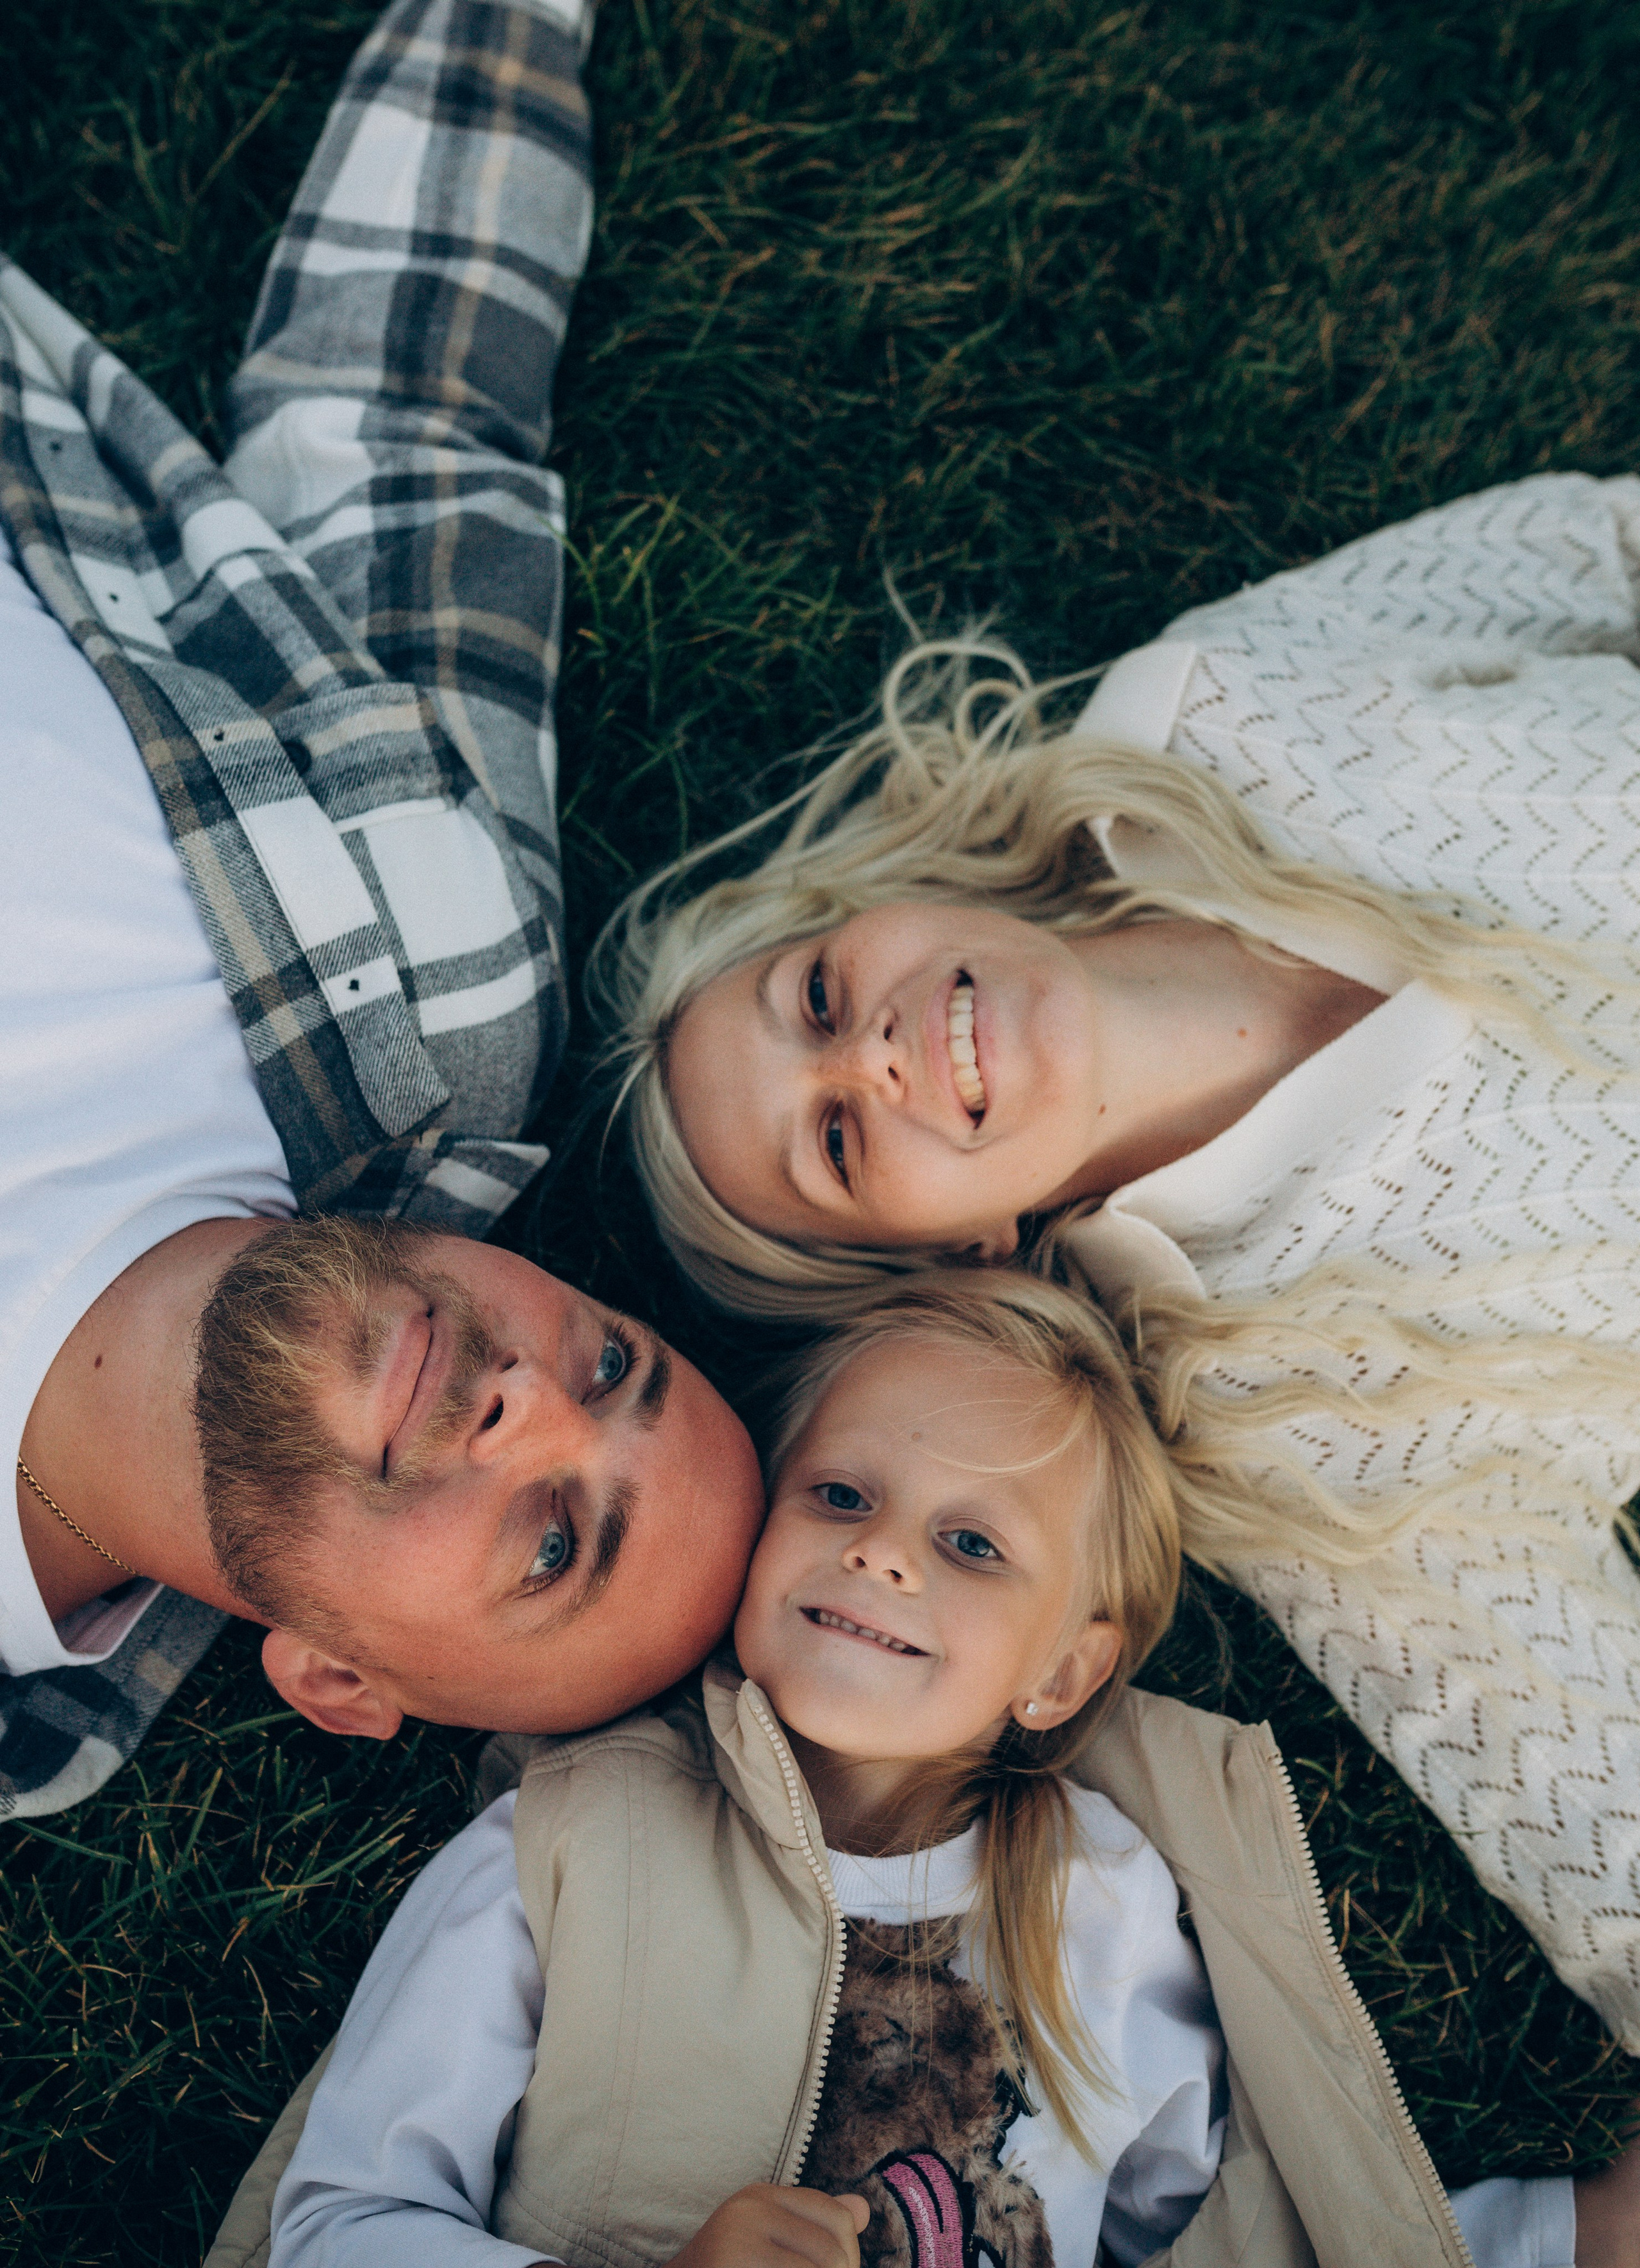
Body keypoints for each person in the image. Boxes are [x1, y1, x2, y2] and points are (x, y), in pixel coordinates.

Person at [598, 481, 1640, 2048]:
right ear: (953, 1249)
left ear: (872, 909)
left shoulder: (1199, 714)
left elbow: (1594, 549)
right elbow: (1601, 1827)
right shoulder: (1305, 1420)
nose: (871, 1055)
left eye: (815, 996)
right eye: (835, 1143)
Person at [207, 1275, 1618, 2268]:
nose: (880, 1552)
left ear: (1060, 1673)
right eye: (841, 1495)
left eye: (971, 1546)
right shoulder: (566, 1846)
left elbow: (1215, 2228)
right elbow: (333, 2228)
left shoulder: (1105, 1905)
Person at [0, 0, 762, 1820]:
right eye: (610, 1358)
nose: (539, 1407)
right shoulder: (431, 992)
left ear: (337, 1683)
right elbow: (407, 429)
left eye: (555, 1543)